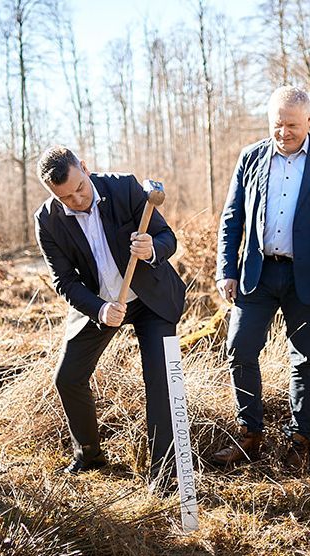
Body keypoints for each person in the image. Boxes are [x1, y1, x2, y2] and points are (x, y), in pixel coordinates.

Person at [212, 86, 310, 471]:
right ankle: (250, 435)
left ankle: (299, 440)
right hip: (257, 274)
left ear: (309, 120)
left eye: (292, 125)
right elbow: (232, 220)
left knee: (305, 359)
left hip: (308, 277)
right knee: (240, 351)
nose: (283, 133)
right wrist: (226, 269)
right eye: (277, 125)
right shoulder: (251, 158)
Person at [33, 145, 186, 489]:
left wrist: (151, 250)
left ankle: (164, 474)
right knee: (68, 378)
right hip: (100, 303)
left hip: (149, 298)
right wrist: (100, 309)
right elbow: (65, 280)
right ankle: (88, 454)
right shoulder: (47, 220)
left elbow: (167, 238)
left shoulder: (125, 187)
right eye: (67, 198)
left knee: (160, 382)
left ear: (85, 168)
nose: (77, 200)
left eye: (80, 188)